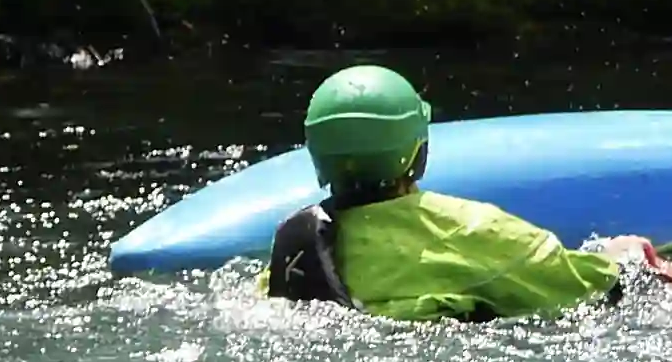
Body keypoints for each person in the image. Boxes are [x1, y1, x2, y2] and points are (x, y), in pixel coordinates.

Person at [266, 65, 634, 319]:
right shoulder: (473, 232)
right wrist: (624, 260)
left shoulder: (292, 252)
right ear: (416, 149)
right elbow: (590, 289)